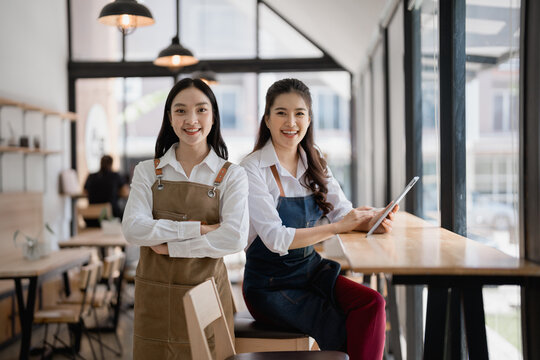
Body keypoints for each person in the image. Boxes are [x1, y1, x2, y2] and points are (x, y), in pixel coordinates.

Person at [240, 78, 398, 360]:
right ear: (266, 119)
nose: (291, 122)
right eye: (281, 113)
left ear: (309, 119)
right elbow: (276, 239)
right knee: (341, 325)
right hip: (269, 287)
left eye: (300, 113)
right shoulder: (252, 169)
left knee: (371, 303)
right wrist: (340, 226)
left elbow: (342, 211)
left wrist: (372, 219)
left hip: (310, 272)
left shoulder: (314, 160)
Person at [122, 78, 249, 359]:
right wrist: (201, 229)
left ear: (213, 116)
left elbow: (234, 238)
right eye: (180, 111)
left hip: (209, 299)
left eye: (201, 110)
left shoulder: (231, 175)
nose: (191, 119)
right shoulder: (146, 171)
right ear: (169, 118)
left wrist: (171, 247)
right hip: (153, 302)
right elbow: (132, 230)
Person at [84, 155, 128, 226]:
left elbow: (84, 192)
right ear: (111, 164)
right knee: (125, 213)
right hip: (110, 217)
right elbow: (125, 193)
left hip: (91, 219)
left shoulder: (91, 176)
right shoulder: (115, 176)